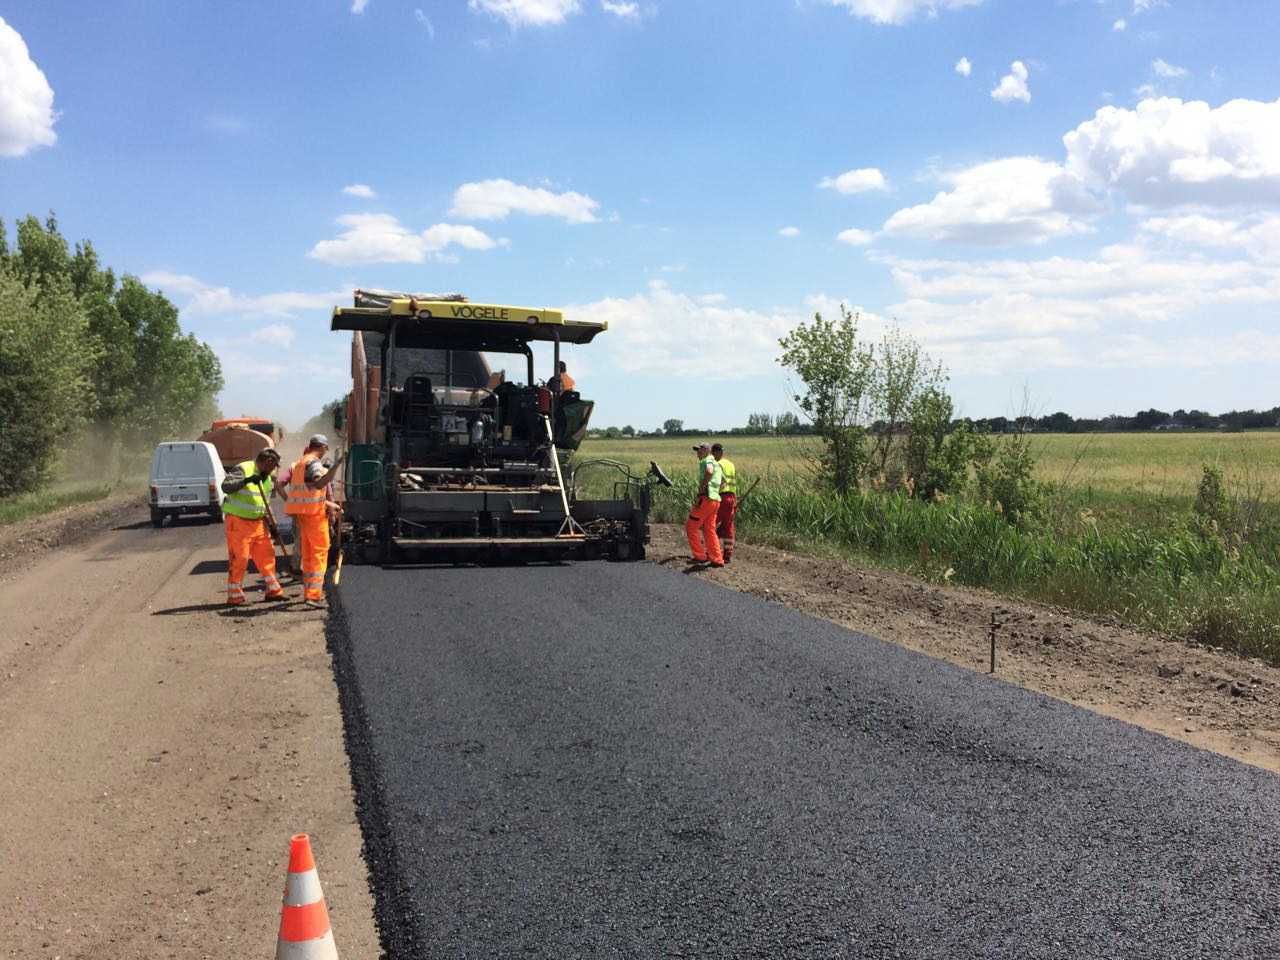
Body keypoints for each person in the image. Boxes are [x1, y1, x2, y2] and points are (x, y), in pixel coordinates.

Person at [283, 434, 346, 608]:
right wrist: (336, 466)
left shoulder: (300, 463)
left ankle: (309, 593)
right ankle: (314, 596)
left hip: (303, 514)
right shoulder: (314, 463)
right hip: (314, 516)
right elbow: (318, 484)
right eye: (326, 448)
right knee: (319, 553)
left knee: (309, 554)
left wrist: (329, 503)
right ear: (322, 447)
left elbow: (308, 490)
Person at [220, 448, 285, 606]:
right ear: (267, 462)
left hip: (259, 523)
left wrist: (273, 525)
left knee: (267, 557)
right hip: (238, 522)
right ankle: (235, 596)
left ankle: (273, 591)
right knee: (240, 559)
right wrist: (247, 481)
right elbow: (226, 487)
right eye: (273, 465)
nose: (273, 469)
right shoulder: (244, 469)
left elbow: (265, 505)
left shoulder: (267, 479)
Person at [685, 442, 724, 567]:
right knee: (709, 530)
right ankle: (717, 559)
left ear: (707, 450)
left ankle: (700, 556)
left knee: (691, 526)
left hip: (706, 499)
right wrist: (714, 490)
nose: (698, 452)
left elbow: (709, 471)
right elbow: (723, 481)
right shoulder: (717, 463)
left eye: (700, 449)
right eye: (697, 450)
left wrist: (702, 488)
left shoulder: (707, 461)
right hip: (715, 501)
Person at [712, 442, 738, 563]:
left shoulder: (717, 464)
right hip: (731, 497)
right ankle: (727, 554)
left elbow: (719, 482)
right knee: (728, 527)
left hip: (721, 498)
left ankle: (712, 552)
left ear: (715, 452)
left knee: (712, 524)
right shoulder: (731, 464)